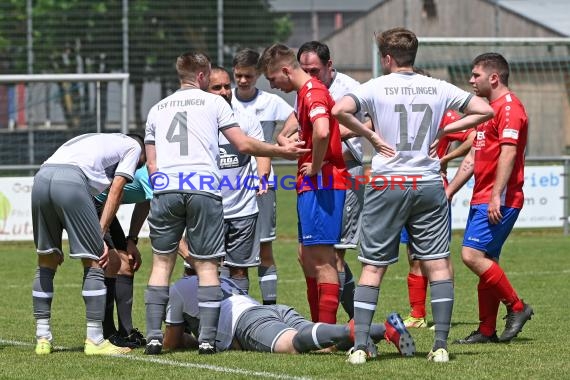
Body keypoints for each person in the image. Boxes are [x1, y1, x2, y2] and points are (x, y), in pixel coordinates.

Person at [332, 27, 494, 363]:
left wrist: (370, 136)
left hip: (388, 182)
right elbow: (485, 111)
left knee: (373, 267)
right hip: (428, 183)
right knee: (437, 264)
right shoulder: (437, 87)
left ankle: (360, 346)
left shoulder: (375, 86)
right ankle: (440, 346)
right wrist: (447, 128)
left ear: (387, 58)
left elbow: (339, 111)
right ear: (413, 55)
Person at [143, 51, 308, 355]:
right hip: (203, 188)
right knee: (208, 267)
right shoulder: (215, 103)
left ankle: (154, 337)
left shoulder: (157, 109)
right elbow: (243, 144)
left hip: (166, 188)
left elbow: (152, 164)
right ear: (203, 76)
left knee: (162, 264)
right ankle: (207, 339)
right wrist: (279, 152)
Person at [258, 43, 350, 325]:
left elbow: (323, 131)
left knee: (323, 260)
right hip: (311, 186)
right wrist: (289, 141)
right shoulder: (303, 94)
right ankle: (317, 328)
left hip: (322, 184)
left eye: (274, 80)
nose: (274, 87)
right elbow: (309, 132)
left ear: (286, 70)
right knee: (306, 257)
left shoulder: (314, 93)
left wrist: (318, 162)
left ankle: (327, 333)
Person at [31, 132, 146, 355]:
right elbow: (117, 189)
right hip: (72, 181)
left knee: (46, 260)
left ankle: (42, 339)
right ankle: (94, 340)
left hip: (41, 178)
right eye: (138, 166)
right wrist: (99, 234)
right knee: (95, 260)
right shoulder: (133, 146)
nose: (137, 169)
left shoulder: (94, 138)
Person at [446, 52, 533, 344]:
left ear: (493, 78)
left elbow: (509, 152)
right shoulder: (487, 111)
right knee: (487, 259)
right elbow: (473, 157)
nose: (471, 80)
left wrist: (496, 195)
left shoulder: (510, 108)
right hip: (482, 197)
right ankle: (486, 330)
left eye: (476, 75)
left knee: (471, 255)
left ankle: (517, 307)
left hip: (500, 198)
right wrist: (450, 191)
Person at [277, 41, 365, 321]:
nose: (309, 75)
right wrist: (283, 137)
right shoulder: (308, 87)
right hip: (316, 172)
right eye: (304, 69)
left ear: (330, 65)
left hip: (343, 171)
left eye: (314, 70)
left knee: (333, 256)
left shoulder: (349, 88)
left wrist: (325, 145)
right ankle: (323, 325)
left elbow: (370, 125)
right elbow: (299, 118)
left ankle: (353, 322)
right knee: (308, 255)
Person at [163, 263, 415, 358]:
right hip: (266, 310)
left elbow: (171, 342)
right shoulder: (222, 279)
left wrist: (188, 336)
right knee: (318, 341)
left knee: (293, 344)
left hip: (247, 322)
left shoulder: (180, 287)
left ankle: (359, 331)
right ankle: (383, 329)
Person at [402, 106, 476, 329]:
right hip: (405, 188)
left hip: (433, 188)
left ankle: (443, 315)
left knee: (439, 255)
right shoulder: (402, 112)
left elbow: (473, 137)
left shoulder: (444, 115)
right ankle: (417, 315)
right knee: (414, 256)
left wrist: (446, 158)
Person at [231, 48, 294, 305]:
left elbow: (296, 116)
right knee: (230, 250)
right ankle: (237, 305)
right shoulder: (226, 103)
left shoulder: (270, 102)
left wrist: (283, 137)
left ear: (257, 74)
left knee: (265, 245)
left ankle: (269, 307)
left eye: (248, 75)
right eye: (239, 75)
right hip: (231, 184)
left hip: (262, 181)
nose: (243, 80)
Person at [209, 65, 271, 294]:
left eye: (227, 86)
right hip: (208, 209)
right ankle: (197, 321)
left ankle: (239, 320)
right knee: (198, 269)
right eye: (217, 87)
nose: (225, 91)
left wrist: (262, 177)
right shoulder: (198, 124)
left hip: (242, 210)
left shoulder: (245, 119)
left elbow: (261, 150)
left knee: (239, 270)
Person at [94, 164, 151, 348]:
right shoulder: (151, 173)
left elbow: (145, 203)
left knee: (126, 265)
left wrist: (132, 240)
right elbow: (162, 214)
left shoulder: (158, 174)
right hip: (93, 206)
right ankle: (108, 333)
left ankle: (126, 332)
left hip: (104, 208)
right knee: (111, 263)